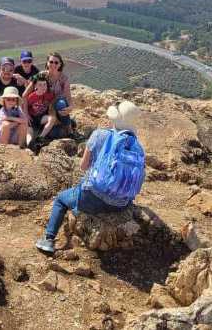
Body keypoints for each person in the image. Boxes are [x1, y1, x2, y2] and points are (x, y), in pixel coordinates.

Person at [35, 101, 145, 254]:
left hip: (92, 199)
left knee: (61, 199)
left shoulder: (100, 134)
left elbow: (83, 166)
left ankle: (48, 240)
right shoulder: (137, 147)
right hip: (121, 205)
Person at [23, 52, 74, 139]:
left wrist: (71, 106)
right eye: (51, 62)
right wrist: (26, 114)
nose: (53, 64)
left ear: (60, 64)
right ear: (47, 63)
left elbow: (68, 97)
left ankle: (70, 131)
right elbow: (25, 95)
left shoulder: (64, 78)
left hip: (56, 107)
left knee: (61, 103)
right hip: (43, 109)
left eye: (56, 62)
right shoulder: (41, 75)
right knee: (54, 134)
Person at [25, 72, 59, 145]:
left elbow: (54, 99)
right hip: (32, 119)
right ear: (35, 86)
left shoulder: (49, 94)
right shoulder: (31, 97)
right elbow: (25, 106)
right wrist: (26, 115)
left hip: (41, 117)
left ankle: (40, 138)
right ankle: (29, 145)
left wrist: (51, 107)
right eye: (40, 85)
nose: (43, 87)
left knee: (52, 118)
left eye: (44, 84)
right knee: (29, 133)